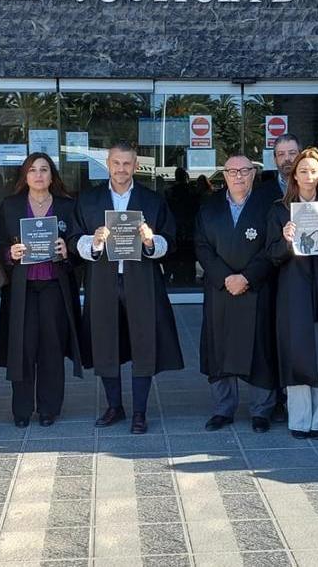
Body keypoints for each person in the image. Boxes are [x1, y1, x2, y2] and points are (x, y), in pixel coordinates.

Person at [71, 142, 183, 434]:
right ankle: (114, 407)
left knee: (143, 344)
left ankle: (140, 412)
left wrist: (150, 242)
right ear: (107, 164)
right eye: (116, 163)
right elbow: (73, 240)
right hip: (103, 282)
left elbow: (172, 241)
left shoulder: (152, 200)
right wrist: (94, 241)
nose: (121, 169)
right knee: (105, 343)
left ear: (136, 166)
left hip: (141, 281)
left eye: (127, 164)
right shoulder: (89, 200)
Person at [266, 146, 318, 439]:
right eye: (303, 171)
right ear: (295, 176)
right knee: (297, 354)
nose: (308, 176)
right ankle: (299, 419)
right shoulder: (279, 210)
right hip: (293, 292)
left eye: (314, 171)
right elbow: (272, 256)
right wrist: (286, 240)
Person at [0, 153, 84, 428]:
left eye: (44, 170)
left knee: (51, 347)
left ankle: (49, 408)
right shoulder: (10, 206)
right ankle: (21, 409)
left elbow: (78, 248)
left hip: (54, 288)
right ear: (25, 175)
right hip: (22, 289)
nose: (38, 175)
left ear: (52, 175)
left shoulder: (67, 207)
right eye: (32, 170)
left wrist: (66, 250)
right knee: (22, 348)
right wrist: (9, 253)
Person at [195, 154, 278, 433]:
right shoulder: (208, 207)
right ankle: (223, 409)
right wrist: (224, 277)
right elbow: (202, 247)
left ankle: (261, 411)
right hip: (220, 290)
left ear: (254, 174)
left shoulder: (269, 206)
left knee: (260, 350)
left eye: (245, 171)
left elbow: (272, 248)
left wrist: (247, 277)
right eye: (232, 171)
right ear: (224, 175)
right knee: (220, 350)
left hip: (255, 289)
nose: (238, 176)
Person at [260, 133, 302, 203]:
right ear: (275, 159)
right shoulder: (261, 192)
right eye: (281, 154)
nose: (287, 158)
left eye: (292, 153)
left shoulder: (314, 187)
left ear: (301, 156)